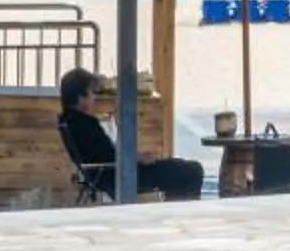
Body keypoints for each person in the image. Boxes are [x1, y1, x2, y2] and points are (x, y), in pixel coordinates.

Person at [58, 68, 204, 203]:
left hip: (104, 174)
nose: (94, 99)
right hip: (119, 175)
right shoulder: (86, 124)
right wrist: (138, 158)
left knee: (179, 167)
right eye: (91, 94)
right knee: (192, 170)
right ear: (79, 97)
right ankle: (180, 212)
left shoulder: (68, 121)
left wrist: (136, 157)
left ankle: (174, 209)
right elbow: (110, 157)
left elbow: (104, 154)